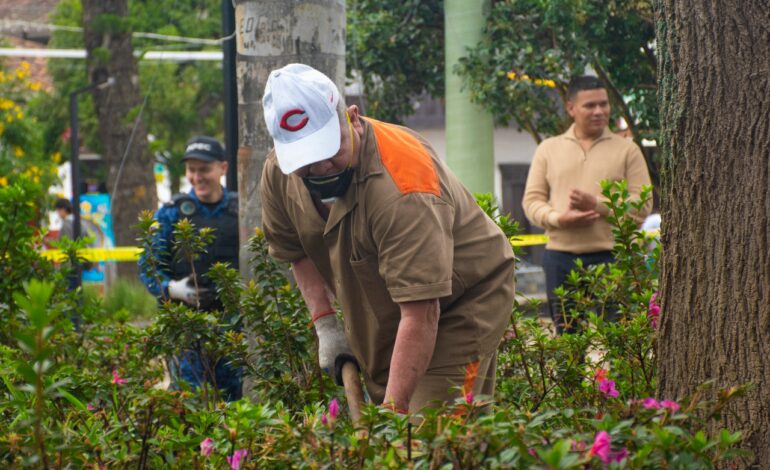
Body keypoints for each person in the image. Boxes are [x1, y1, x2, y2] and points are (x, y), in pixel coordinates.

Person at [259, 63, 516, 413]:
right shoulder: (279, 172)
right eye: (306, 160)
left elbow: (421, 313)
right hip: (383, 306)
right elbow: (297, 251)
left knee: (427, 432)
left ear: (352, 117)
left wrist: (393, 420)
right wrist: (327, 326)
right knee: (394, 410)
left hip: (459, 303)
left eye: (328, 151)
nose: (320, 169)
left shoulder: (405, 188)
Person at [522, 75, 652, 334]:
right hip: (560, 258)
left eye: (604, 104)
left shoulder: (628, 150)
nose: (599, 111)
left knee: (623, 339)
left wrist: (599, 204)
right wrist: (559, 218)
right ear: (571, 108)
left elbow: (643, 205)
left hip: (614, 256)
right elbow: (532, 202)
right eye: (590, 105)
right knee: (570, 343)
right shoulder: (548, 149)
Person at [138, 136, 242, 401]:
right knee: (190, 405)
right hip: (188, 334)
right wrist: (173, 289)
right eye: (191, 170)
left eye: (204, 169)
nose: (197, 177)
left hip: (235, 333)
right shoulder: (172, 214)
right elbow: (149, 266)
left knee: (238, 408)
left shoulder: (242, 210)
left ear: (223, 168)